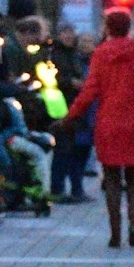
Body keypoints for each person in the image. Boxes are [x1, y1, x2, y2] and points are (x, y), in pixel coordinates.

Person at [56, 9, 134, 248]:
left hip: (108, 122)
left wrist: (70, 116)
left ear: (108, 28)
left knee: (112, 178)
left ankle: (115, 232)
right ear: (128, 28)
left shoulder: (100, 54)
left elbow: (89, 91)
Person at [47, 20, 92, 203]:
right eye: (65, 32)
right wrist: (70, 82)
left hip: (75, 105)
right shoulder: (54, 54)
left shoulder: (73, 54)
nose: (69, 35)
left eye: (71, 31)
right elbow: (51, 78)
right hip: (60, 105)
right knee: (63, 150)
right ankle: (58, 188)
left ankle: (76, 187)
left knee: (77, 150)